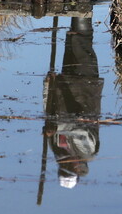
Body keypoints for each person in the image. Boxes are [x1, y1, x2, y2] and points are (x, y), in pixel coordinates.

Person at [43, 17, 103, 189]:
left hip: (65, 85)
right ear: (77, 168)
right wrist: (57, 128)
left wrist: (48, 85)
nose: (66, 165)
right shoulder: (88, 150)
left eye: (64, 169)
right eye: (68, 169)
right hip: (86, 86)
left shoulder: (56, 148)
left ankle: (78, 11)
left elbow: (48, 113)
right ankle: (82, 11)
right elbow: (81, 129)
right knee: (80, 40)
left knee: (71, 40)